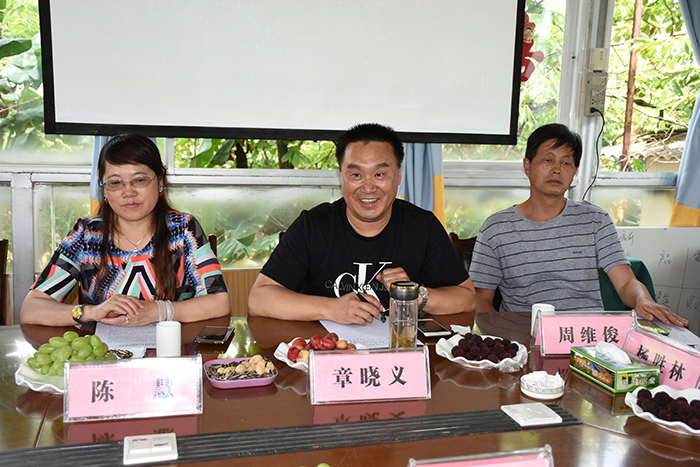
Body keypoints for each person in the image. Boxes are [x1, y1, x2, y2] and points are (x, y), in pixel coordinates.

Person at [247, 123, 475, 324]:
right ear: (341, 177)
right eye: (356, 175)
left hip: (400, 350)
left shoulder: (423, 226)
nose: (368, 188)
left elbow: (466, 298)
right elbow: (258, 299)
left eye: (379, 175)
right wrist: (330, 308)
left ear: (398, 176)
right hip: (328, 350)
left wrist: (414, 295)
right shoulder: (313, 226)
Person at [468, 123, 687, 326]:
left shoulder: (595, 220)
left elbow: (625, 283)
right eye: (548, 160)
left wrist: (642, 298)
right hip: (525, 336)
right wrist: (503, 336)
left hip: (587, 337)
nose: (557, 169)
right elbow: (480, 298)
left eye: (566, 162)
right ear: (527, 166)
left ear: (574, 171)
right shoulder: (496, 228)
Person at [20, 134, 230, 326]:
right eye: (115, 182)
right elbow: (31, 308)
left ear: (160, 181)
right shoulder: (86, 235)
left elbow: (219, 301)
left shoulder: (183, 230)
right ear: (104, 188)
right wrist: (91, 312)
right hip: (105, 352)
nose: (128, 192)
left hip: (170, 350)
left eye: (139, 180)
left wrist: (158, 311)